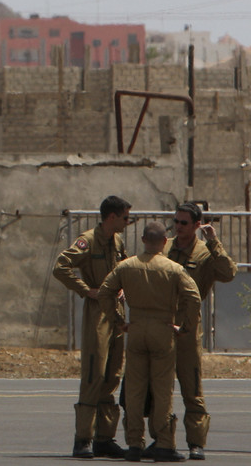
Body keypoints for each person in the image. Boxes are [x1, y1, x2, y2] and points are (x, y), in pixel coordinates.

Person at [99, 222, 200, 462]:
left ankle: (134, 443)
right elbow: (194, 297)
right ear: (165, 242)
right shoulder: (174, 269)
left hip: (136, 328)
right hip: (163, 328)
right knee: (163, 389)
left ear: (143, 240)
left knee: (134, 389)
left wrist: (118, 320)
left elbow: (105, 292)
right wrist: (185, 327)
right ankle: (164, 442)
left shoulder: (127, 266)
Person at [52, 195, 132, 459]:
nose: (127, 222)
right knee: (93, 374)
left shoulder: (117, 241)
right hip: (98, 312)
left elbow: (123, 267)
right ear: (112, 217)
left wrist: (122, 288)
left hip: (116, 313)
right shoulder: (88, 240)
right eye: (124, 217)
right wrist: (87, 290)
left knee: (112, 375)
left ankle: (104, 438)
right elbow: (61, 267)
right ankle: (83, 438)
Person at [159, 202, 237, 460]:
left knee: (191, 386)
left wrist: (214, 242)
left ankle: (196, 441)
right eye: (176, 222)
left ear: (196, 225)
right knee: (160, 386)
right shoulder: (165, 246)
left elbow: (228, 273)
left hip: (188, 324)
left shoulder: (205, 252)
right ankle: (162, 440)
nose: (178, 227)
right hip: (161, 321)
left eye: (184, 223)